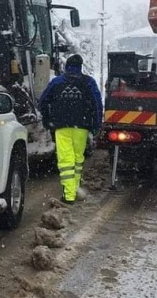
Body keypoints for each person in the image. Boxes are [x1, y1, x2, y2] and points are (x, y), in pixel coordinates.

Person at [38, 54, 103, 204]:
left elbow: (42, 102)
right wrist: (96, 126)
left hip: (61, 126)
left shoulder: (57, 82)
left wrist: (48, 121)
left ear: (67, 66)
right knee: (78, 159)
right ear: (81, 66)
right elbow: (97, 105)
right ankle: (75, 187)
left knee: (65, 160)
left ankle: (69, 195)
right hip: (82, 127)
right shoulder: (89, 82)